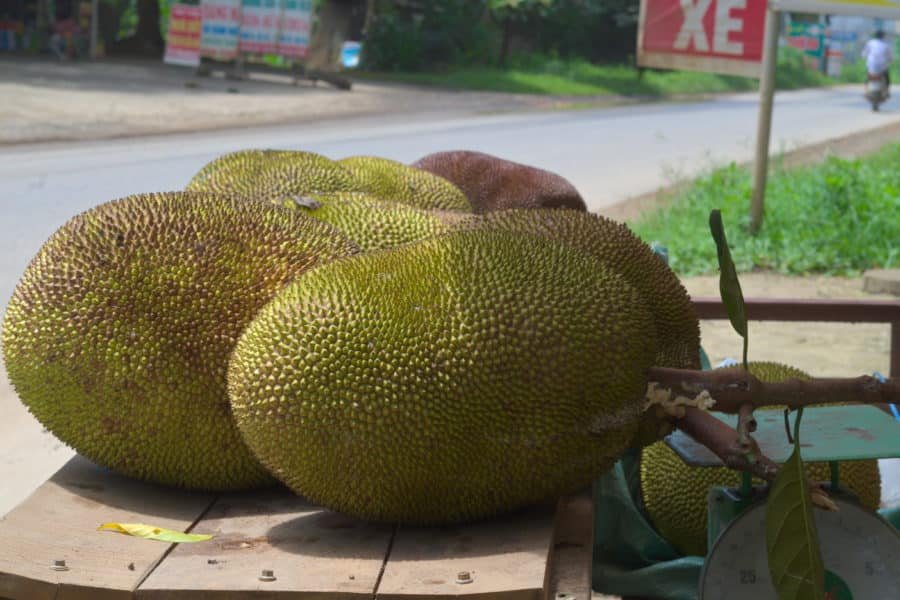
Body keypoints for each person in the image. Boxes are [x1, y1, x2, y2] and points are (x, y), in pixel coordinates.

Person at [862, 30, 893, 97]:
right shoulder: (886, 44)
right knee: (887, 78)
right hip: (882, 66)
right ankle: (887, 91)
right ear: (883, 36)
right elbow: (890, 56)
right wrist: (890, 60)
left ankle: (865, 91)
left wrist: (866, 57)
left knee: (868, 77)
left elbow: (864, 54)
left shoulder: (870, 43)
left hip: (871, 65)